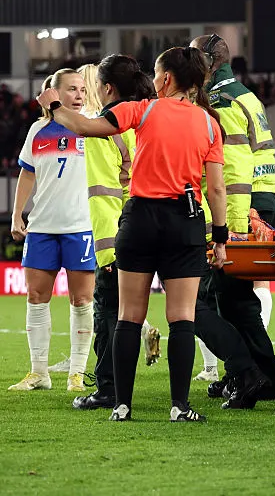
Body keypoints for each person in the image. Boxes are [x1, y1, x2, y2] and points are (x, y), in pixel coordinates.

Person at [39, 46, 229, 422]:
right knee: (181, 318)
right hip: (183, 221)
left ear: (167, 79)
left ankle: (122, 405)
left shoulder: (141, 110)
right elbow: (217, 189)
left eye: (157, 74)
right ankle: (180, 406)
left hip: (140, 218)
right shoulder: (210, 123)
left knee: (127, 315)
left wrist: (53, 106)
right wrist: (219, 238)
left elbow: (85, 127)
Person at [187, 33, 275, 398]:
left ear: (209, 60)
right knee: (232, 298)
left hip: (247, 203)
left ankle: (253, 376)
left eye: (194, 57)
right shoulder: (244, 94)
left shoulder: (221, 101)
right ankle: (257, 376)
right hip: (262, 195)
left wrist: (231, 227)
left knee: (226, 297)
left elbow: (232, 168)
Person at [71, 58, 162, 410]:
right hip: (158, 224)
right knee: (183, 310)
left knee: (109, 313)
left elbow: (103, 192)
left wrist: (107, 252)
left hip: (121, 232)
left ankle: (108, 390)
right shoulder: (147, 118)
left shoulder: (101, 129)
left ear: (107, 88)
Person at [8, 69, 95, 393]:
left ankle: (76, 372)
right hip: (43, 227)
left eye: (82, 90)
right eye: (72, 89)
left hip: (81, 226)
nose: (79, 95)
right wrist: (18, 214)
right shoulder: (38, 130)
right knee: (35, 297)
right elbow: (27, 175)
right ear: (53, 92)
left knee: (82, 300)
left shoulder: (91, 125)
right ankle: (39, 372)